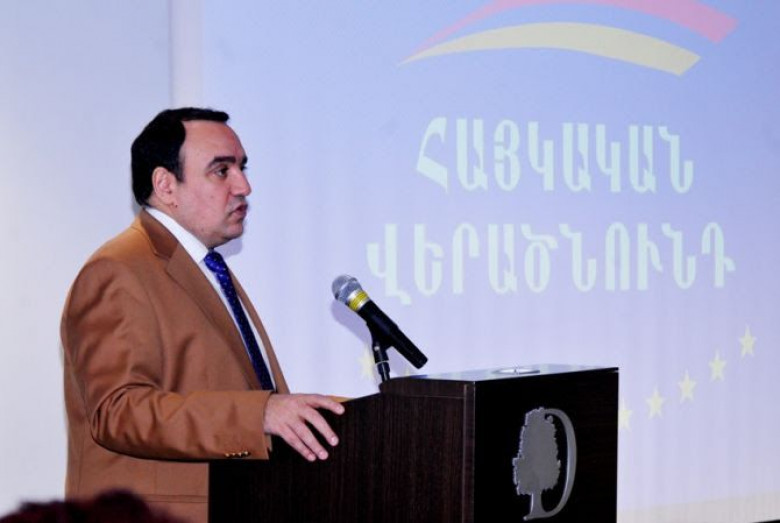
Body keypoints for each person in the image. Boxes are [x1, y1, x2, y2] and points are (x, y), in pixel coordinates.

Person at [61, 108, 345, 523]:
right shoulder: (119, 270)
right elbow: (118, 410)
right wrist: (259, 414)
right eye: (221, 170)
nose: (244, 186)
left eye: (242, 168)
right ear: (166, 185)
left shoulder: (205, 267)